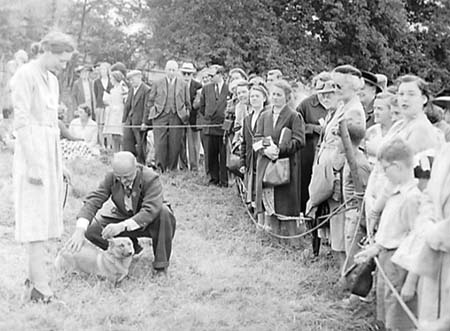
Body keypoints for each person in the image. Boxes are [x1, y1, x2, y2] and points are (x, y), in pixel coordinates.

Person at [10, 31, 75, 302]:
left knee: (46, 219)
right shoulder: (24, 75)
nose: (64, 65)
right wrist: (35, 165)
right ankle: (40, 287)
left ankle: (32, 281)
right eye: (61, 59)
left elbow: (52, 125)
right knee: (34, 220)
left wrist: (58, 163)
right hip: (32, 154)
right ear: (47, 50)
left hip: (49, 153)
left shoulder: (53, 79)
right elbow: (22, 124)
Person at [65, 151, 176, 274]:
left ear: (136, 169)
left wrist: (121, 226)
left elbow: (150, 210)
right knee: (92, 230)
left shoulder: (151, 178)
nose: (123, 181)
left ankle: (161, 266)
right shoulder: (111, 177)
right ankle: (131, 250)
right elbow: (94, 200)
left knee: (164, 213)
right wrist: (80, 230)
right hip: (123, 216)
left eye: (127, 177)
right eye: (119, 177)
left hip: (150, 220)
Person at [355, 138, 421, 331]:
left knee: (398, 311)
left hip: (400, 263)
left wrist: (411, 280)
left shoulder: (412, 197)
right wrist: (373, 249)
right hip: (386, 258)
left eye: (386, 169)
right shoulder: (395, 192)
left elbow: (416, 240)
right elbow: (391, 232)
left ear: (398, 166)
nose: (383, 174)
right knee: (385, 304)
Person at [309, 64, 366, 262]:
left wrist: (332, 172)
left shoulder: (354, 112)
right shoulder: (342, 107)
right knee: (336, 225)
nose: (335, 88)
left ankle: (345, 273)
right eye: (334, 84)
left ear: (354, 87)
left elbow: (347, 147)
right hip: (333, 171)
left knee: (343, 228)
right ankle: (341, 271)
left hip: (343, 176)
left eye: (340, 85)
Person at [254, 79, 305, 234]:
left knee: (285, 204)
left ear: (287, 97)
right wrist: (265, 150)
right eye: (273, 94)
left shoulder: (294, 116)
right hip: (266, 164)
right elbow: (257, 137)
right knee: (269, 203)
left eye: (279, 95)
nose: (275, 97)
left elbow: (299, 141)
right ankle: (273, 235)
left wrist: (280, 149)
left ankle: (290, 238)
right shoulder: (264, 115)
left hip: (285, 166)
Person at [296, 75, 336, 212]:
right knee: (306, 183)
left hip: (327, 154)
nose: (324, 94)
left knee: (325, 186)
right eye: (320, 89)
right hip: (308, 151)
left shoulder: (336, 104)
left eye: (328, 90)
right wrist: (313, 128)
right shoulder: (306, 104)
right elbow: (296, 125)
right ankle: (305, 215)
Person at [148, 60, 191, 171]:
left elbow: (187, 102)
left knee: (175, 143)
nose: (171, 72)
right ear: (165, 70)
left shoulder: (183, 84)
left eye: (173, 70)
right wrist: (154, 110)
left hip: (177, 115)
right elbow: (150, 100)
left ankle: (172, 168)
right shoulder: (157, 83)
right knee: (160, 143)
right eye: (169, 70)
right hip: (160, 115)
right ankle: (160, 167)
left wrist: (185, 113)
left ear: (177, 71)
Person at [239, 83, 269, 214]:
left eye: (257, 96)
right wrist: (242, 161)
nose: (254, 99)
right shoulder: (247, 119)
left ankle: (262, 210)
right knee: (251, 183)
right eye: (252, 96)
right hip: (250, 158)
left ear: (264, 98)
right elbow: (244, 142)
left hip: (263, 156)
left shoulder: (268, 116)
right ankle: (253, 208)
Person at [199, 65, 230, 187]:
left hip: (223, 127)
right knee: (210, 154)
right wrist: (208, 117)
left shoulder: (229, 89)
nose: (210, 78)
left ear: (220, 75)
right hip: (210, 125)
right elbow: (202, 107)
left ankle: (224, 180)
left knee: (223, 154)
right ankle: (213, 179)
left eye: (212, 75)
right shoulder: (206, 89)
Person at [122, 70, 151, 164]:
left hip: (139, 122)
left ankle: (141, 164)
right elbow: (127, 105)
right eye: (130, 80)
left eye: (133, 79)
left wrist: (145, 122)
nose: (131, 82)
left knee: (140, 145)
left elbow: (147, 107)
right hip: (129, 121)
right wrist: (124, 120)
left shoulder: (146, 90)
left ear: (139, 78)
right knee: (127, 142)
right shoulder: (131, 89)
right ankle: (128, 163)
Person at [180, 62, 203, 171]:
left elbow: (198, 103)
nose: (186, 76)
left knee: (194, 144)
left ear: (192, 74)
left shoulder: (198, 85)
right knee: (180, 142)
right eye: (184, 73)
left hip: (193, 118)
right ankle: (182, 166)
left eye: (188, 74)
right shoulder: (178, 84)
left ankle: (194, 167)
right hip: (180, 118)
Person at [364, 92, 395, 165]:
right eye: (374, 108)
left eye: (380, 109)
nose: (375, 112)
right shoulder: (371, 132)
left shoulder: (399, 132)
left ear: (391, 111)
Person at [103, 70, 128, 152]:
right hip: (112, 113)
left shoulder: (123, 88)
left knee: (120, 134)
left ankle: (123, 151)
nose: (110, 80)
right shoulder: (112, 90)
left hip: (119, 113)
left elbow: (126, 100)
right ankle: (115, 152)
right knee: (113, 134)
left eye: (111, 78)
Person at [93, 62, 112, 146]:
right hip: (100, 107)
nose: (102, 71)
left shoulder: (111, 81)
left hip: (109, 107)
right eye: (101, 69)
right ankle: (102, 145)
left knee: (108, 127)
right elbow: (96, 95)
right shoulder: (96, 82)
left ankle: (109, 145)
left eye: (104, 69)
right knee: (100, 127)